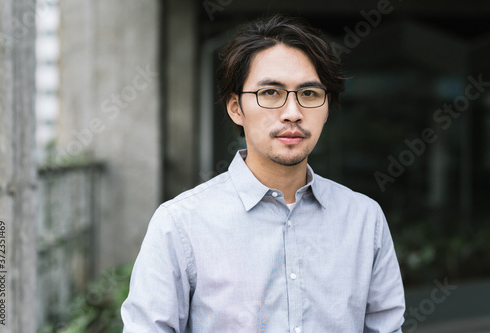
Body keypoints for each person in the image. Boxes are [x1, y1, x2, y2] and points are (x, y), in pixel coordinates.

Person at [121, 14, 405, 333]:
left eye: (310, 94)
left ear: (327, 108)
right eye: (271, 93)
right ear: (235, 108)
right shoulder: (179, 224)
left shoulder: (364, 219)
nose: (293, 113)